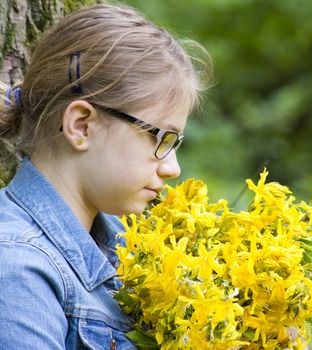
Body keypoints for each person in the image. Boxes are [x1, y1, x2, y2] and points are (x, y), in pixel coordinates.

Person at [0, 4, 210, 348]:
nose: (173, 168)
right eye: (160, 138)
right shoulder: (17, 269)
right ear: (81, 126)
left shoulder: (130, 251)